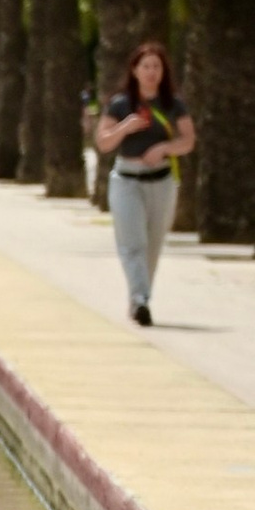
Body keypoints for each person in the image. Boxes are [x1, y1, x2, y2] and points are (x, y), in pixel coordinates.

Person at [95, 40, 197, 325]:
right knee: (133, 243)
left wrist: (165, 149)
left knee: (152, 244)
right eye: (146, 66)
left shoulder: (173, 104)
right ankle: (141, 300)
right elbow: (103, 143)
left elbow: (188, 140)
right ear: (135, 70)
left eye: (157, 66)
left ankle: (138, 299)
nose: (151, 72)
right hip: (126, 180)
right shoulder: (120, 104)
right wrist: (125, 126)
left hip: (162, 181)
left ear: (163, 71)